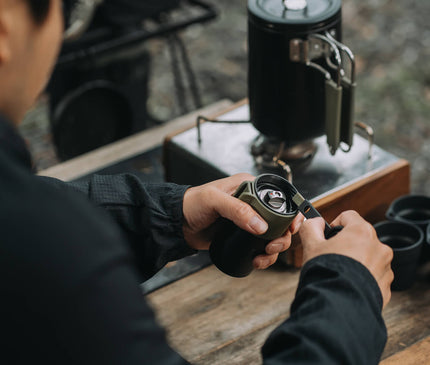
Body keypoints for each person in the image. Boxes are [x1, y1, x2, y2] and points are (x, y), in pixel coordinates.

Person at [0, 0, 393, 364]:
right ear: (6, 29)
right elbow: (44, 243)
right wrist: (349, 294)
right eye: (65, 15)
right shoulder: (48, 257)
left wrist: (167, 217)